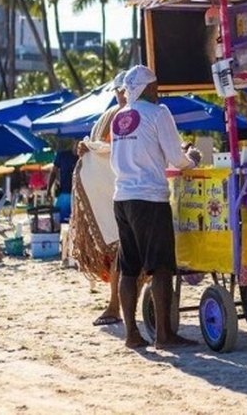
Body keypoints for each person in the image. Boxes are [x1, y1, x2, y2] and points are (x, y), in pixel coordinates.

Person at [110, 65, 201, 349]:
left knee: (129, 268)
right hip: (149, 198)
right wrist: (193, 159)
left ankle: (132, 335)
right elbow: (175, 157)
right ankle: (164, 335)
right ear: (148, 88)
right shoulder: (158, 113)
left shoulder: (119, 117)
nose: (158, 91)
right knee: (161, 268)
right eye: (156, 86)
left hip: (122, 197)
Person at [74, 71, 129, 327]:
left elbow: (102, 148)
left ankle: (116, 306)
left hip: (119, 191)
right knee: (121, 251)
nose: (122, 95)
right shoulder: (118, 117)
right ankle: (115, 306)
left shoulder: (117, 116)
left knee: (122, 251)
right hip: (119, 192)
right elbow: (107, 150)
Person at [48, 140, 78, 222]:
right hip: (65, 193)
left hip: (80, 195)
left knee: (76, 222)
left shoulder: (86, 156)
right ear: (73, 143)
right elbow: (53, 172)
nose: (78, 145)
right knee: (59, 220)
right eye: (77, 142)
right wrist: (48, 189)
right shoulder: (62, 155)